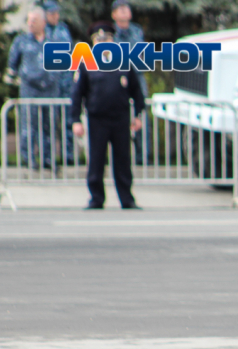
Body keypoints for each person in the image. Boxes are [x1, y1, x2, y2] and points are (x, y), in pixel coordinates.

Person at [71, 23, 146, 210]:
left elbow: (137, 91)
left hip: (120, 119)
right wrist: (75, 120)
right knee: (96, 160)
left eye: (107, 39)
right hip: (97, 119)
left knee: (122, 161)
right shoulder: (86, 64)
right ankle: (96, 198)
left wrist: (138, 115)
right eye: (99, 40)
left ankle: (127, 199)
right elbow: (77, 94)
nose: (103, 43)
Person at [7, 8, 59, 169]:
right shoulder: (21, 41)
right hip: (29, 90)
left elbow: (61, 67)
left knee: (49, 127)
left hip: (50, 90)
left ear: (43, 22)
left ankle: (48, 159)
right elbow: (12, 66)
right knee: (29, 127)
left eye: (34, 20)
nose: (30, 23)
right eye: (29, 20)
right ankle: (28, 159)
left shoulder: (53, 42)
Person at [112, 0, 149, 165]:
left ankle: (143, 155)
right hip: (119, 78)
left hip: (137, 78)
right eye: (121, 9)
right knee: (120, 116)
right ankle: (121, 156)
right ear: (114, 14)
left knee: (141, 115)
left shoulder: (137, 31)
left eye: (127, 9)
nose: (125, 12)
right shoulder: (110, 33)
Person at [44, 1, 75, 164]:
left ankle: (68, 154)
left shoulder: (63, 29)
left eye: (57, 13)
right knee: (48, 123)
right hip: (49, 83)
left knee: (68, 120)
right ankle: (48, 156)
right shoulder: (42, 32)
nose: (55, 16)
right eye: (51, 14)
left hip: (66, 81)